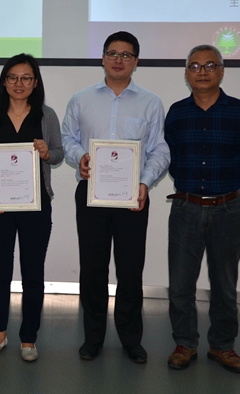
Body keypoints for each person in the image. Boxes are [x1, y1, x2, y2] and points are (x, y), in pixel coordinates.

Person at [61, 31, 170, 363]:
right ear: (103, 58)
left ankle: (131, 339)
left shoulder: (150, 102)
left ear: (136, 61)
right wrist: (79, 156)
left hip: (132, 196)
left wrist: (146, 183)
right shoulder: (81, 99)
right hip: (91, 194)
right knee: (93, 269)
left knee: (130, 269)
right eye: (112, 53)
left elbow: (160, 149)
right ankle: (92, 337)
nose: (118, 60)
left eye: (126, 55)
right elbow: (67, 138)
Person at [165, 45, 240, 373]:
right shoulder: (177, 113)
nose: (202, 72)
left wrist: (225, 191)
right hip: (186, 208)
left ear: (221, 71)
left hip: (227, 209)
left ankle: (222, 346)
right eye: (195, 66)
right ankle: (185, 343)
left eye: (210, 65)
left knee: (224, 284)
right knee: (180, 284)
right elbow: (171, 157)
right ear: (186, 74)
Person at [0, 54, 63, 362]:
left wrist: (46, 153)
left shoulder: (46, 116)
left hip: (36, 206)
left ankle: (29, 338)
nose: (19, 83)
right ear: (4, 82)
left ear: (35, 82)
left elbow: (59, 153)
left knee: (33, 272)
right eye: (12, 77)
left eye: (26, 78)